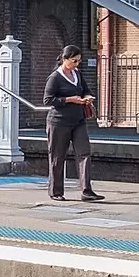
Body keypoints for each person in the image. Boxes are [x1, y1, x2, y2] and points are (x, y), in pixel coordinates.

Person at [43, 44, 103, 201]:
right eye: (74, 61)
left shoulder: (78, 74)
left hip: (78, 120)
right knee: (57, 156)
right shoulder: (55, 78)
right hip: (58, 121)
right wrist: (70, 99)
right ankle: (56, 192)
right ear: (65, 59)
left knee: (84, 153)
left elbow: (86, 90)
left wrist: (87, 97)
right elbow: (48, 99)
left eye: (79, 61)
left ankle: (86, 191)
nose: (77, 64)